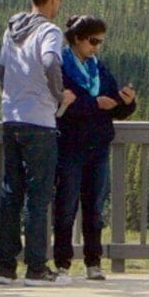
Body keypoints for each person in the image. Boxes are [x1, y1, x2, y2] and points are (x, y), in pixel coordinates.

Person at [0, 0, 74, 283]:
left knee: (11, 193)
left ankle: (5, 267)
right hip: (39, 120)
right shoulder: (49, 31)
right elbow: (51, 62)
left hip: (10, 118)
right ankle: (36, 266)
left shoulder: (12, 30)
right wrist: (58, 95)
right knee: (38, 196)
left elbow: (1, 71)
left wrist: (10, 97)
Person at [50, 14, 133, 281]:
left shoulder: (100, 70)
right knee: (66, 206)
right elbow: (60, 107)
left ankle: (93, 262)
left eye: (100, 42)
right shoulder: (60, 68)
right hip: (70, 146)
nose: (96, 47)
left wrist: (126, 102)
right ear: (77, 39)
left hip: (98, 146)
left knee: (95, 208)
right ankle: (62, 263)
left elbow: (114, 107)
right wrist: (95, 104)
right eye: (92, 41)